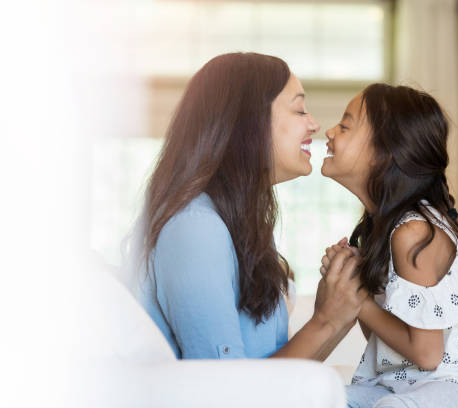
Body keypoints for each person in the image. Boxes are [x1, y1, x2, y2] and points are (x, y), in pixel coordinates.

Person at [127, 52, 367, 361]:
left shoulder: (240, 225)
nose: (315, 125)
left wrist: (335, 316)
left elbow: (274, 383)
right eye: (298, 110)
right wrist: (325, 322)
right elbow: (227, 388)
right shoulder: (196, 228)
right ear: (248, 124)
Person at [319, 84, 458, 408]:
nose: (330, 131)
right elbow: (393, 346)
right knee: (320, 398)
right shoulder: (381, 230)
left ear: (384, 153)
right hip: (412, 384)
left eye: (345, 125)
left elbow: (426, 352)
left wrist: (357, 298)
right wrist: (355, 280)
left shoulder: (414, 231)